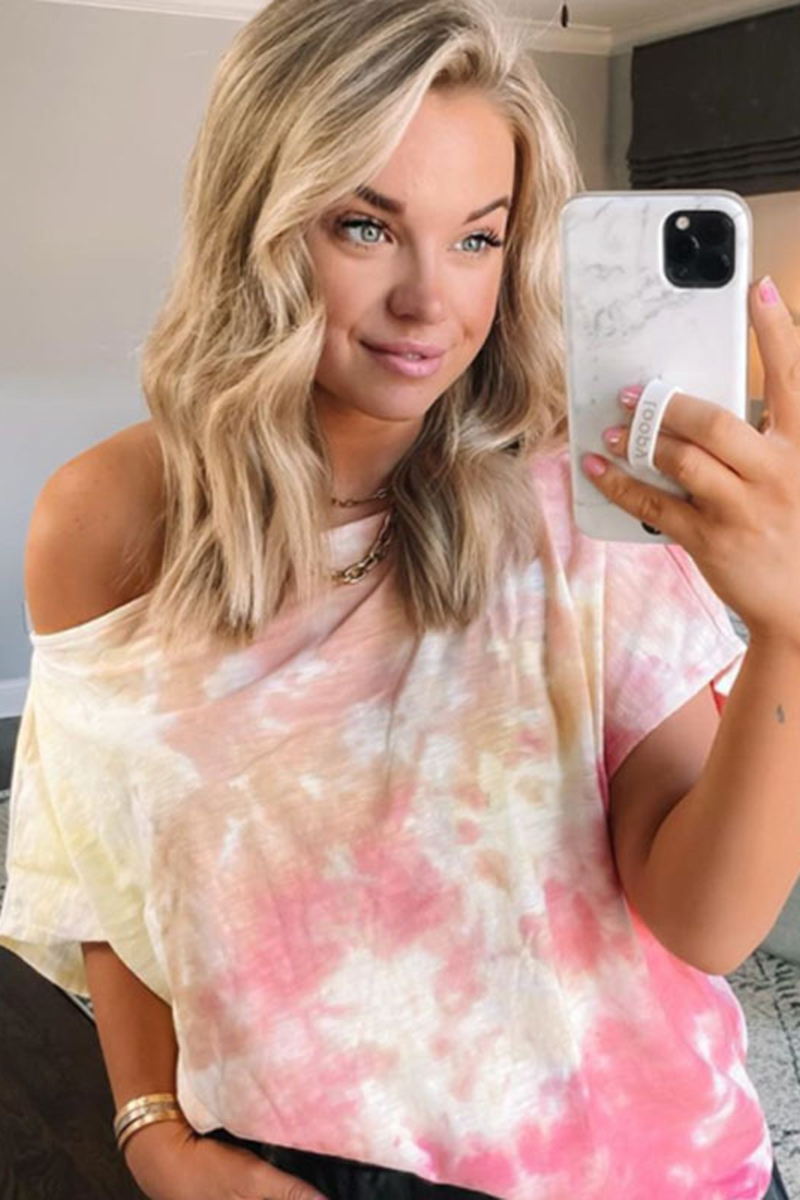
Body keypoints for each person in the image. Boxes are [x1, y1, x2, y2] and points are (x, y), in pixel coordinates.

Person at [1, 0, 798, 1197]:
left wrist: (789, 632)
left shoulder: (574, 496)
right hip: (297, 1165)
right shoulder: (106, 522)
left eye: (477, 238)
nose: (432, 303)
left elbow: (703, 923)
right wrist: (153, 1134)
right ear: (256, 222)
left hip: (647, 1168)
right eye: (366, 227)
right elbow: (103, 862)